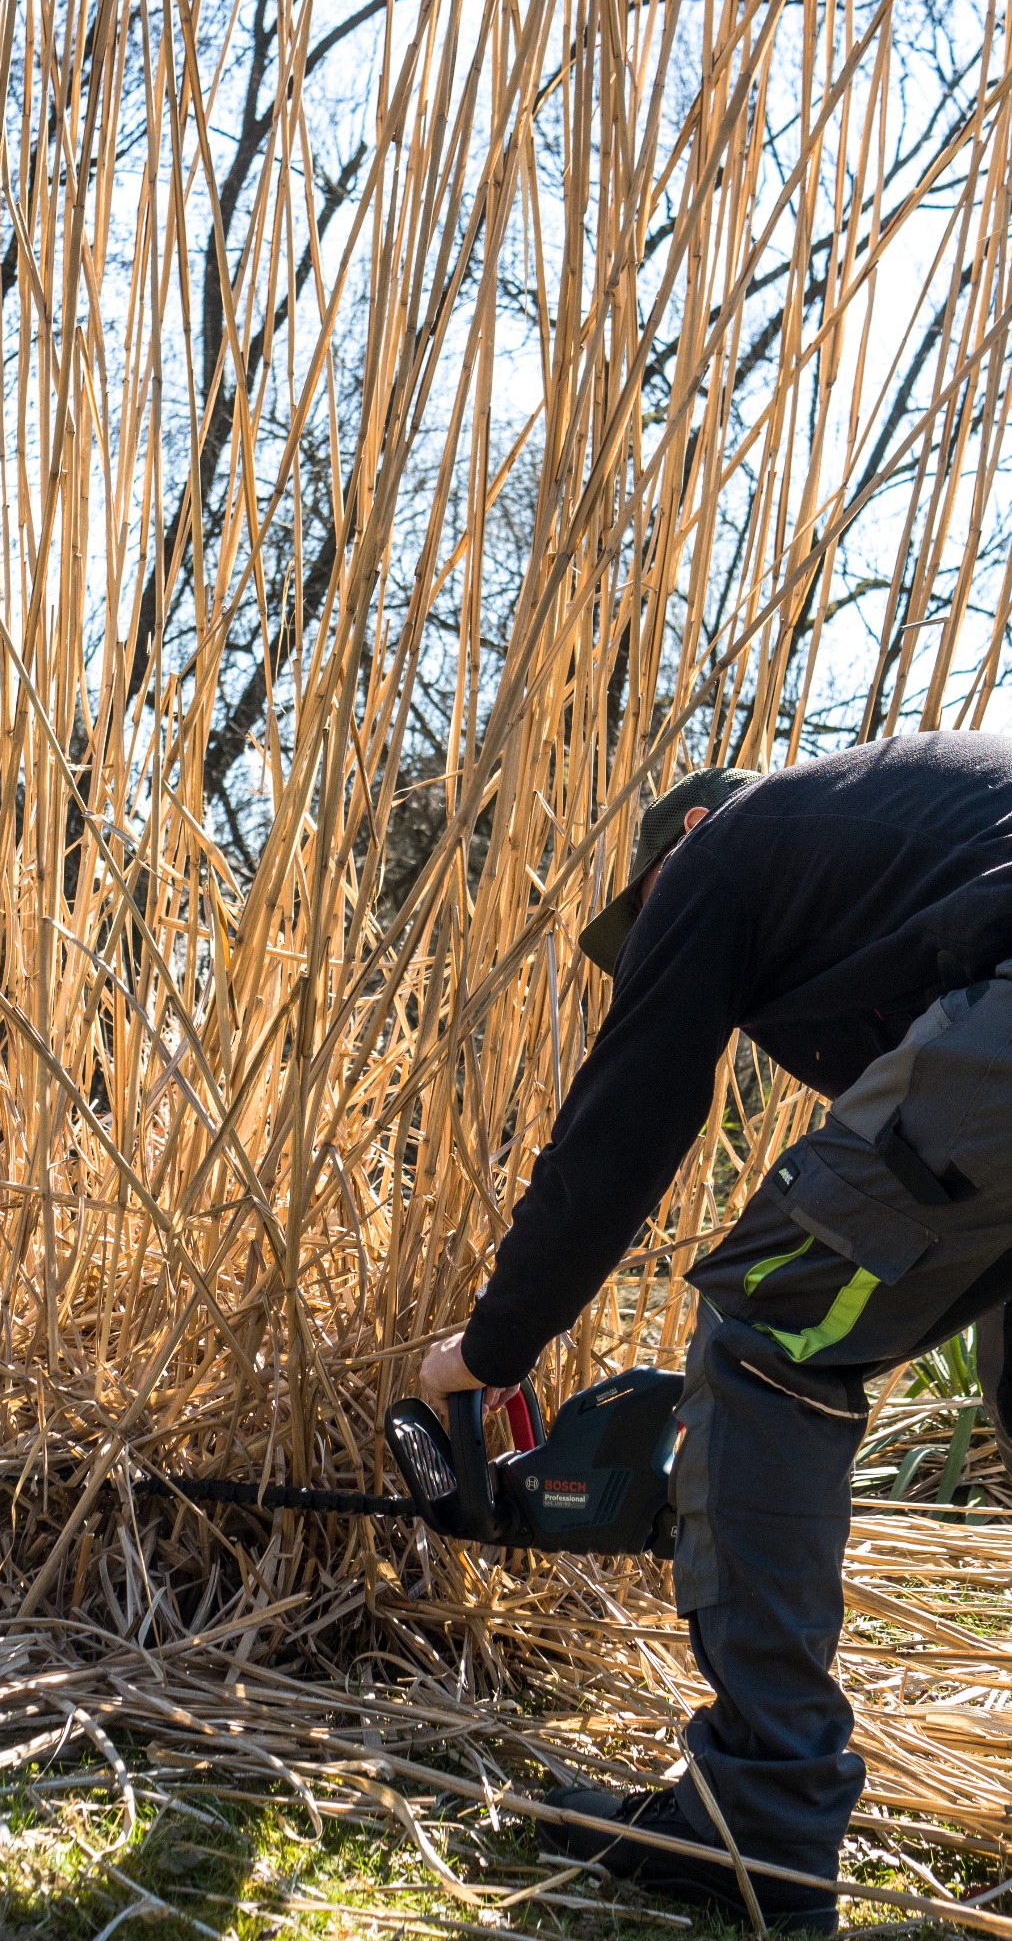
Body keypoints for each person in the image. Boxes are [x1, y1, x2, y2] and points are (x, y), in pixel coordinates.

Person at [419, 733, 1012, 1933]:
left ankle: (761, 1816)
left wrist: (488, 1350)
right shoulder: (893, 837)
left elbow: (622, 1127)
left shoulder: (717, 853)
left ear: (678, 845)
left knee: (769, 1337)